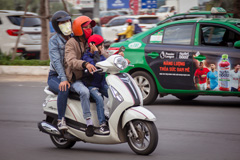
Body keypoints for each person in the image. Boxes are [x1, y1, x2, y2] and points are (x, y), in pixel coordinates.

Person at [64, 16, 97, 137]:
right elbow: (71, 61)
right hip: (75, 79)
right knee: (84, 92)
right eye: (86, 27)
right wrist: (85, 64)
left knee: (106, 89)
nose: (89, 29)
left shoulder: (90, 41)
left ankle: (103, 119)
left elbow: (103, 51)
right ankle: (89, 124)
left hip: (88, 78)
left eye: (90, 27)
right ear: (79, 29)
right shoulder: (71, 43)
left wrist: (118, 56)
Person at [47, 11, 72, 130]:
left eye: (68, 21)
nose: (66, 24)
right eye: (62, 22)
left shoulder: (74, 37)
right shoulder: (54, 41)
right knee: (64, 88)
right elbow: (56, 62)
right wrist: (63, 79)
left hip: (71, 74)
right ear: (57, 25)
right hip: (55, 76)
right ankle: (61, 120)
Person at [82, 34, 109, 134]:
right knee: (99, 99)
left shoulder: (101, 56)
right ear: (93, 45)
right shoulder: (86, 57)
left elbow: (108, 63)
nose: (102, 48)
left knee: (114, 94)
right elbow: (96, 65)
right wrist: (96, 52)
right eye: (101, 45)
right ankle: (103, 124)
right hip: (91, 86)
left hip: (101, 84)